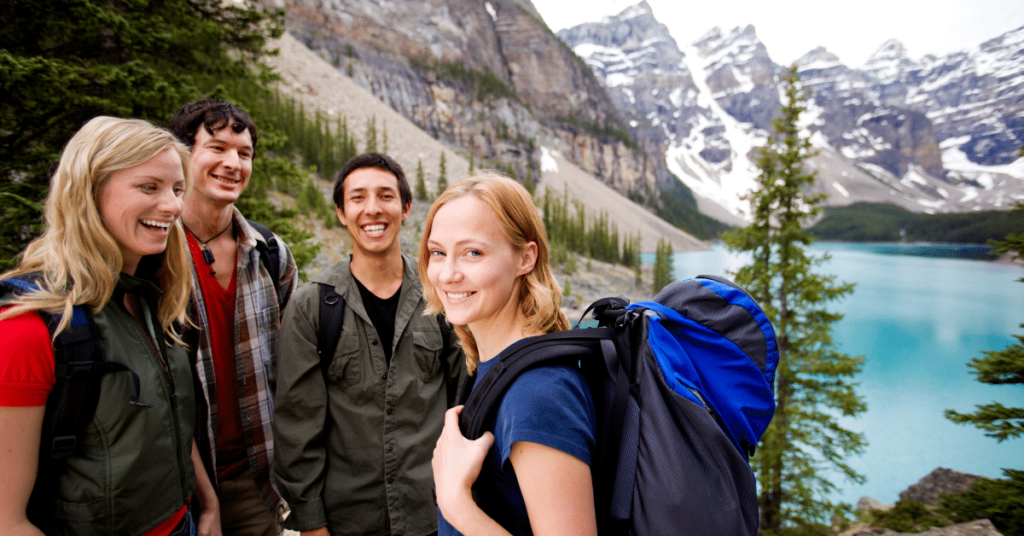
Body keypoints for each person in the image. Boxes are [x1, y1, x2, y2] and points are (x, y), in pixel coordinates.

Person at [0, 116, 219, 536]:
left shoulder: (151, 299)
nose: (174, 206)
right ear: (88, 190)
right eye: (148, 187)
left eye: (177, 189)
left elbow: (167, 413)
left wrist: (207, 505)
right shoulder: (29, 326)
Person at [274, 153, 465, 536]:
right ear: (342, 213)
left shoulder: (442, 296)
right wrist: (312, 526)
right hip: (348, 520)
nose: (372, 210)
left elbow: (466, 400)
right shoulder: (312, 307)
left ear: (406, 207)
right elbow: (297, 426)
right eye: (358, 198)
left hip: (432, 514)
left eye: (386, 196)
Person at [421, 172, 598, 536]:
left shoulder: (538, 393)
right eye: (438, 252)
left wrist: (456, 502)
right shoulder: (497, 365)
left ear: (525, 258)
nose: (447, 274)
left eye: (473, 252)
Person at [169, 98, 297, 536]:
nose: (233, 163)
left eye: (244, 154)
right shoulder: (151, 255)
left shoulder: (270, 253)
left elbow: (292, 368)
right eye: (217, 148)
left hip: (255, 481)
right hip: (173, 485)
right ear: (184, 154)